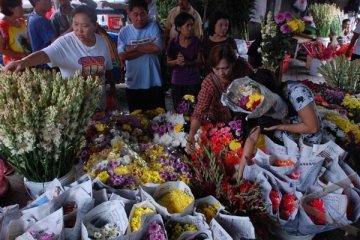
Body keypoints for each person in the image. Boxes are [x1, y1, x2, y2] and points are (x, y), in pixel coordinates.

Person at [4, 5, 116, 105]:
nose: (79, 30)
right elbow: (44, 54)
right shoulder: (65, 42)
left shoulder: (102, 42)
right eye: (75, 24)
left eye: (85, 26)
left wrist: (112, 89)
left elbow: (108, 68)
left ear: (95, 26)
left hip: (99, 102)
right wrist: (22, 62)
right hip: (75, 106)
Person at [186, 44, 252, 150]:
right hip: (220, 125)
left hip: (244, 121)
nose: (221, 73)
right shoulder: (209, 83)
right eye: (217, 69)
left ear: (233, 64)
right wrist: (191, 136)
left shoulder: (243, 69)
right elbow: (199, 112)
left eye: (225, 68)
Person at [252, 69, 322, 145]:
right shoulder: (281, 90)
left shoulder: (298, 93)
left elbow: (312, 128)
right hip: (290, 129)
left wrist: (279, 126)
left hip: (308, 138)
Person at [118, 0, 164, 112]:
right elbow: (122, 56)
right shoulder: (124, 32)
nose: (139, 18)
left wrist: (134, 48)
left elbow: (157, 48)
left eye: (142, 14)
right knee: (135, 123)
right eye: (136, 14)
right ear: (129, 14)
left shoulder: (153, 27)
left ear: (147, 13)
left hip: (154, 82)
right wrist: (148, 46)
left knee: (158, 121)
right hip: (133, 84)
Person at [166, 12, 201, 110]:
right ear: (179, 28)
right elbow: (167, 62)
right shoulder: (173, 42)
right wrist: (177, 61)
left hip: (193, 81)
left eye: (192, 25)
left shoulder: (196, 41)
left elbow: (200, 61)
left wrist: (188, 62)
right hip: (177, 81)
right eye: (187, 26)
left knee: (193, 110)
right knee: (179, 110)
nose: (191, 28)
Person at [202, 11, 237, 76]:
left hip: (225, 76)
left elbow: (234, 60)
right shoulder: (205, 40)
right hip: (208, 75)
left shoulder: (230, 41)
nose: (224, 28)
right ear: (213, 25)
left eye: (226, 25)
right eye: (220, 25)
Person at [0, 0, 31, 66]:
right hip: (13, 65)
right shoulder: (2, 25)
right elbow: (2, 50)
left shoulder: (21, 21)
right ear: (11, 9)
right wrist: (22, 55)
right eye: (20, 6)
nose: (22, 8)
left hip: (28, 61)